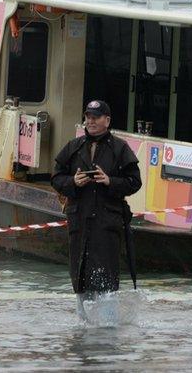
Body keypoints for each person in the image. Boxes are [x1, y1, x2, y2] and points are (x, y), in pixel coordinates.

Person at [51, 100, 142, 322]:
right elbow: (56, 178)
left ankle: (108, 330)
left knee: (107, 278)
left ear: (107, 121)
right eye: (88, 117)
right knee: (80, 276)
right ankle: (83, 326)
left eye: (96, 117)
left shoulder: (120, 148)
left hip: (107, 223)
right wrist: (73, 182)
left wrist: (110, 181)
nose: (90, 121)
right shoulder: (74, 147)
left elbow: (134, 182)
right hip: (80, 222)